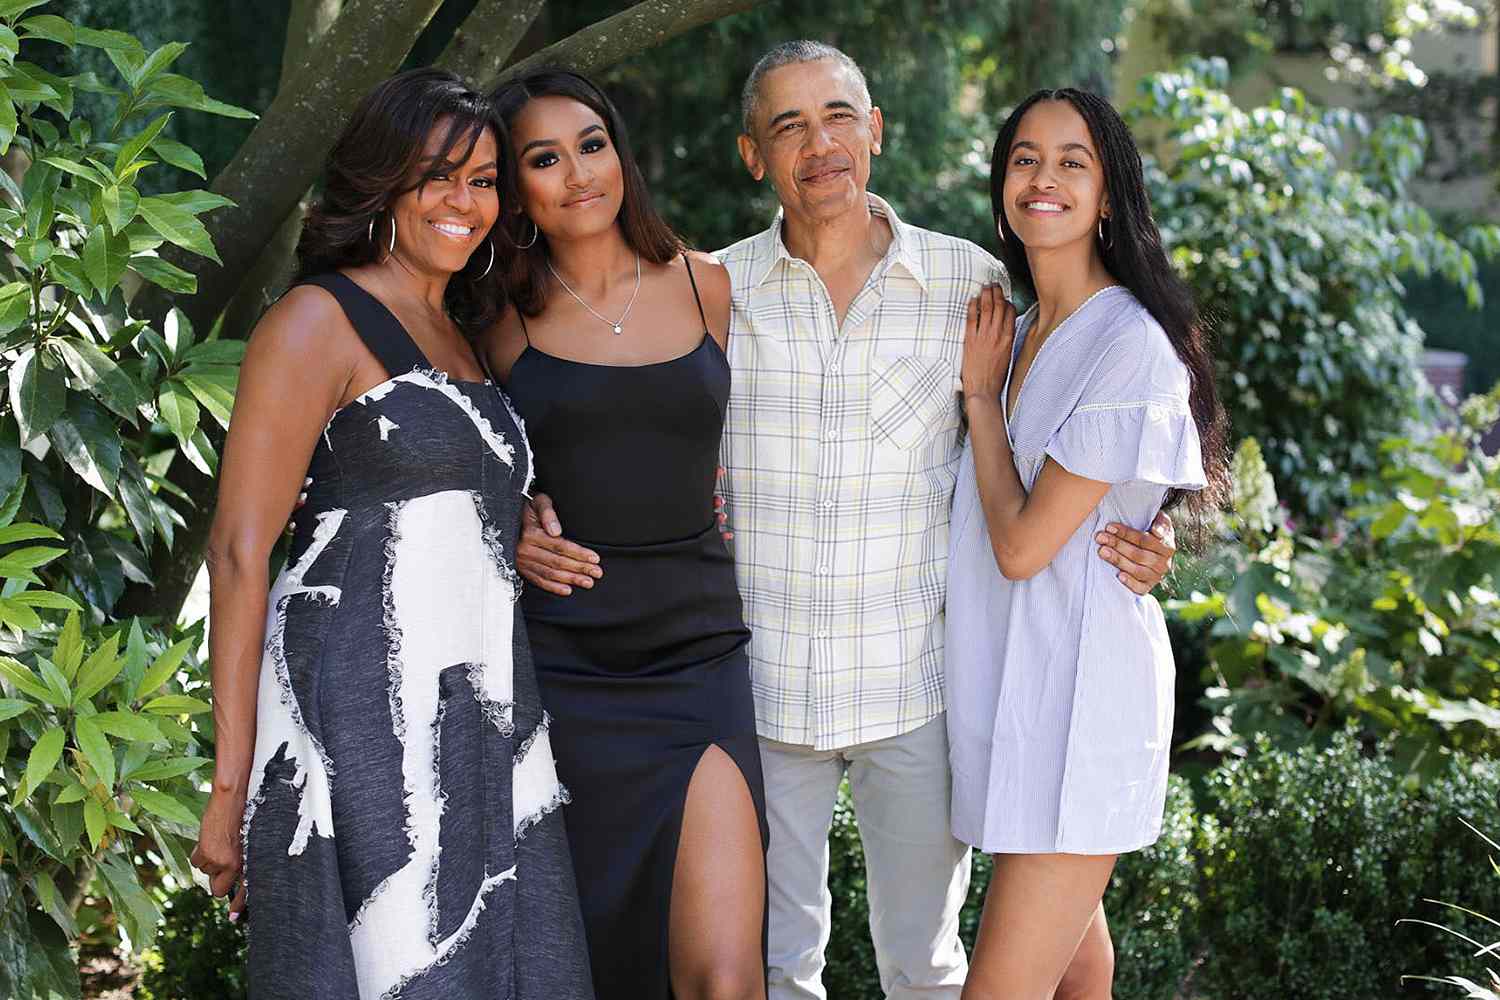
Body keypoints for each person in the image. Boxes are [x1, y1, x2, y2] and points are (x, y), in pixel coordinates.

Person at [519, 42, 1179, 1000]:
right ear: (754, 155)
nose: (817, 143)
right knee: (779, 974)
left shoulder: (974, 287)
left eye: (837, 117)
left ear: (874, 131)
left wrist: (1150, 533)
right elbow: (614, 421)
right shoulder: (713, 293)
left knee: (927, 970)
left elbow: (1077, 416)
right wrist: (523, 510)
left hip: (915, 692)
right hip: (763, 694)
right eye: (787, 125)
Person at [190, 68, 594, 999]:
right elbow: (239, 551)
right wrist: (230, 785)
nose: (465, 202)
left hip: (480, 709)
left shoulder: (462, 330)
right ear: (382, 182)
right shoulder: (315, 320)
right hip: (359, 714)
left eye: (485, 179)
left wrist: (516, 519)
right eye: (437, 176)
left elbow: (443, 499)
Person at [481, 69, 768, 1000]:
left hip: (699, 658)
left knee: (725, 978)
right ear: (515, 186)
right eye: (543, 158)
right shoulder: (495, 321)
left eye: (591, 144)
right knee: (598, 969)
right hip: (565, 666)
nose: (577, 173)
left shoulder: (708, 283)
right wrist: (507, 523)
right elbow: (446, 464)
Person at [947, 88, 1228, 1000]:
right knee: (1079, 975)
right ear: (1002, 186)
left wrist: (981, 405)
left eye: (1074, 161)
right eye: (1025, 158)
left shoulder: (1127, 344)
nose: (1045, 178)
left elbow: (1025, 547)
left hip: (1080, 707)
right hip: (1018, 694)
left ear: (1108, 195)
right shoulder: (1020, 331)